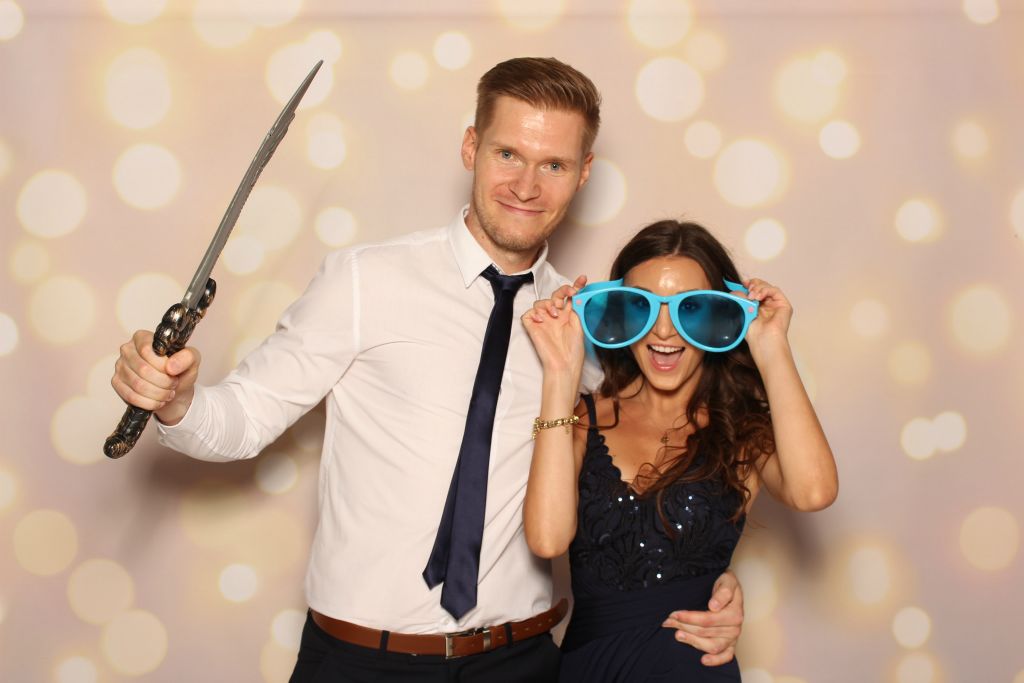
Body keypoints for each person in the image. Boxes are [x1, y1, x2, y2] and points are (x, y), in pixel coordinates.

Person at [111, 58, 746, 682]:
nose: (526, 186)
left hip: (521, 661)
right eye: (508, 154)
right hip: (361, 663)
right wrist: (177, 401)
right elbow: (244, 418)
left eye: (553, 164)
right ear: (471, 147)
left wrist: (708, 582)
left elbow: (645, 463)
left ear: (584, 173)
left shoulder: (586, 320)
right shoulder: (364, 281)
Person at [522, 220, 839, 681]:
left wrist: (772, 346)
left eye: (690, 308)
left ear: (719, 315)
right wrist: (560, 373)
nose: (665, 330)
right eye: (643, 305)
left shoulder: (742, 428)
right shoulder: (582, 418)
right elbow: (547, 539)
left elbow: (814, 492)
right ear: (621, 313)